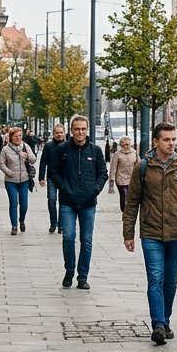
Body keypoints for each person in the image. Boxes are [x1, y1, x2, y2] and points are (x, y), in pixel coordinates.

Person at [123, 123, 177, 345]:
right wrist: (128, 233)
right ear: (156, 142)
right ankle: (158, 323)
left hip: (176, 232)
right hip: (151, 232)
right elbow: (132, 202)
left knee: (171, 281)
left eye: (173, 140)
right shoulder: (143, 167)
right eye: (167, 140)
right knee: (155, 278)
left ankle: (165, 319)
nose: (171, 144)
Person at [49, 115, 108, 291]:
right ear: (71, 131)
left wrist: (95, 190)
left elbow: (103, 173)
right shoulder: (63, 150)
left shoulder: (95, 151)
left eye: (83, 129)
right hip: (68, 201)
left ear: (87, 129)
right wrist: (64, 188)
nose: (80, 132)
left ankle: (82, 277)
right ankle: (69, 269)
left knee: (86, 240)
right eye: (77, 129)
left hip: (89, 202)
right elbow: (54, 172)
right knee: (68, 236)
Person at [0, 126, 35, 236]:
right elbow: (1, 163)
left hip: (24, 180)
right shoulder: (6, 149)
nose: (18, 138)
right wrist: (9, 172)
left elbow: (33, 159)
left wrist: (27, 156)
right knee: (13, 203)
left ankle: (21, 220)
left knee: (24, 204)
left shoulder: (25, 147)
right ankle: (14, 226)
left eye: (20, 136)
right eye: (16, 136)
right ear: (11, 137)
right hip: (11, 181)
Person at [39, 124, 66, 233]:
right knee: (52, 200)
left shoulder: (68, 145)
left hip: (65, 178)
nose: (59, 135)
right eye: (57, 133)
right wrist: (41, 177)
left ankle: (61, 225)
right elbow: (43, 161)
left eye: (61, 132)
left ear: (64, 133)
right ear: (53, 134)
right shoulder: (49, 146)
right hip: (52, 177)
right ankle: (53, 223)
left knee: (64, 202)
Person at [109, 136, 139, 212]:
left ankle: (129, 211)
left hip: (132, 179)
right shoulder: (117, 154)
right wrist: (111, 183)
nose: (126, 146)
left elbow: (139, 164)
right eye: (124, 145)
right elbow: (113, 168)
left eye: (127, 144)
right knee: (124, 196)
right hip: (121, 179)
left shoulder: (134, 152)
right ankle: (124, 211)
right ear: (121, 145)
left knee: (131, 197)